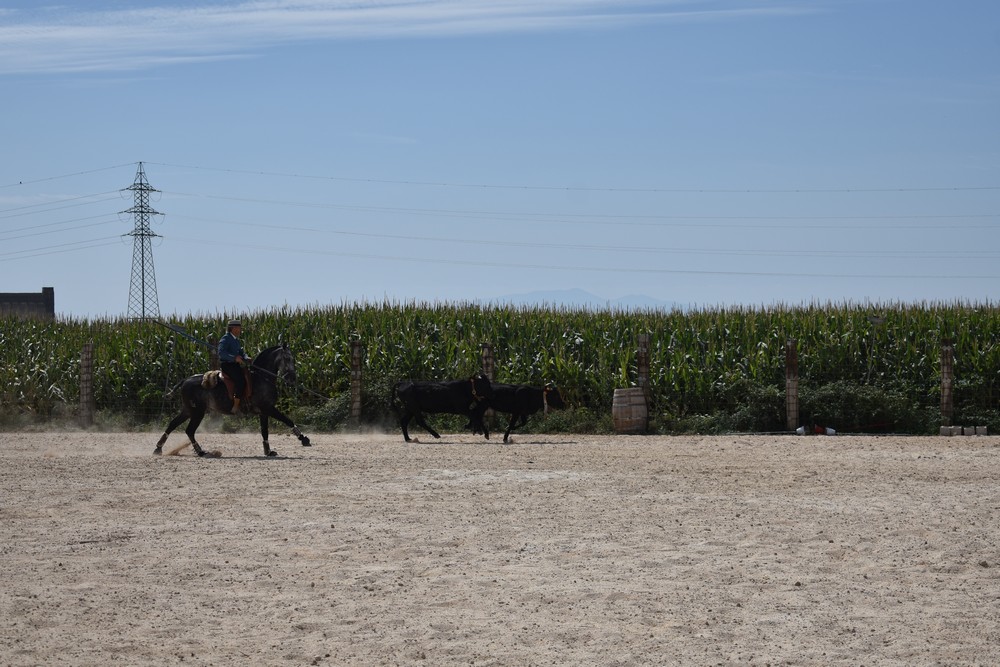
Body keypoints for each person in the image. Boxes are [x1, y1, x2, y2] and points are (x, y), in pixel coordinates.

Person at [218, 319, 251, 413]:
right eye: (239, 328)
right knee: (240, 380)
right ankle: (235, 405)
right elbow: (221, 353)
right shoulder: (225, 339)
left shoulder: (236, 340)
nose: (240, 330)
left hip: (235, 365)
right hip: (228, 365)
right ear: (233, 328)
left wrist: (246, 357)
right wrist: (234, 358)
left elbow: (241, 352)